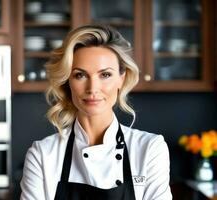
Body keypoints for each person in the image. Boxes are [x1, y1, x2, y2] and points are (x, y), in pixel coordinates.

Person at [20, 24, 172, 200]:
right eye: (80, 75)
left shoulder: (150, 149)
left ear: (121, 79)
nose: (93, 88)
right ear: (67, 82)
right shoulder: (42, 155)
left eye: (105, 75)